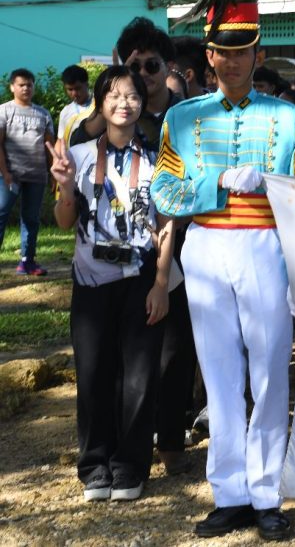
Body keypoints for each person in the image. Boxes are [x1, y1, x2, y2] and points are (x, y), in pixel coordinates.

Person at [152, 0, 295, 541]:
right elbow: (165, 193)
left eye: (244, 52)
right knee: (218, 374)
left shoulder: (287, 117)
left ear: (258, 53)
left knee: (269, 372)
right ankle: (230, 493)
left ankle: (266, 494)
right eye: (225, 51)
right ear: (209, 55)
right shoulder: (182, 117)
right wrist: (212, 183)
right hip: (208, 247)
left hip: (266, 245)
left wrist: (273, 186)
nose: (234, 62)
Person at [47, 66, 174, 502]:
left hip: (141, 278)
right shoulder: (79, 156)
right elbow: (64, 221)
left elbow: (166, 224)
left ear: (143, 102)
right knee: (92, 372)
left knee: (139, 376)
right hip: (90, 281)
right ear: (100, 104)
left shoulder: (157, 160)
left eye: (132, 95)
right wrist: (66, 188)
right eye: (114, 96)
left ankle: (130, 466)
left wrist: (161, 283)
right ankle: (94, 465)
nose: (124, 103)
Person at [72, 17, 180, 150]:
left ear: (169, 68)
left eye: (152, 65)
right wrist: (113, 88)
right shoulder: (119, 113)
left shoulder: (187, 112)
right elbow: (77, 145)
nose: (143, 73)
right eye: (134, 66)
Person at [0, 68, 54, 276]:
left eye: (29, 85)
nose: (26, 88)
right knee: (1, 213)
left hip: (36, 175)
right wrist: (5, 172)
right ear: (12, 87)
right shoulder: (4, 111)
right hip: (9, 175)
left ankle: (27, 261)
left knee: (31, 218)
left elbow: (49, 146)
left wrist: (52, 174)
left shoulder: (43, 114)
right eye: (21, 85)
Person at [58, 65, 92, 141]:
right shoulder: (65, 112)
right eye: (70, 89)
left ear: (87, 85)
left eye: (78, 88)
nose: (74, 93)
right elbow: (61, 140)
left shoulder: (100, 105)